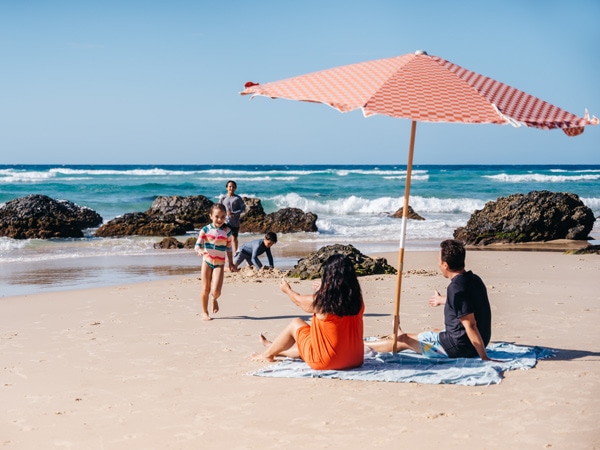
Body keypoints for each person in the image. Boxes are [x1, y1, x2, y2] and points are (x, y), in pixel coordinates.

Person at [366, 239, 493, 360]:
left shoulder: (455, 288)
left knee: (403, 341)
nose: (438, 264)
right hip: (480, 339)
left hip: (460, 348)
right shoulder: (474, 279)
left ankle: (363, 345)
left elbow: (470, 325)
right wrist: (441, 299)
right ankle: (404, 335)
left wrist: (484, 357)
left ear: (445, 265)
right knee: (432, 332)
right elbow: (466, 301)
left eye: (439, 260)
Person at [252, 254, 364, 370]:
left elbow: (297, 300)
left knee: (296, 324)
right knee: (313, 338)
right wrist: (325, 289)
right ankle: (276, 348)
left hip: (326, 362)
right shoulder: (358, 300)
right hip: (355, 359)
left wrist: (287, 290)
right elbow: (340, 295)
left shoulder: (322, 302)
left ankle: (267, 355)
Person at [194, 203, 237, 321]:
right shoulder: (205, 230)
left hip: (219, 263)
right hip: (207, 261)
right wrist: (200, 250)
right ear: (211, 216)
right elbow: (197, 245)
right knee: (205, 288)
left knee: (216, 290)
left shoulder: (227, 231)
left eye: (223, 217)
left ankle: (214, 299)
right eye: (217, 216)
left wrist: (231, 263)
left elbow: (229, 248)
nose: (220, 219)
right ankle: (204, 312)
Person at [218, 180, 246, 253]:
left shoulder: (237, 198)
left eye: (233, 187)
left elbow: (243, 209)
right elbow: (219, 208)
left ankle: (235, 253)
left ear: (235, 188)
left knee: (234, 239)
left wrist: (234, 213)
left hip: (235, 222)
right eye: (230, 186)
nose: (231, 188)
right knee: (224, 238)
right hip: (225, 222)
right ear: (226, 188)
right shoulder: (223, 198)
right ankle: (223, 253)